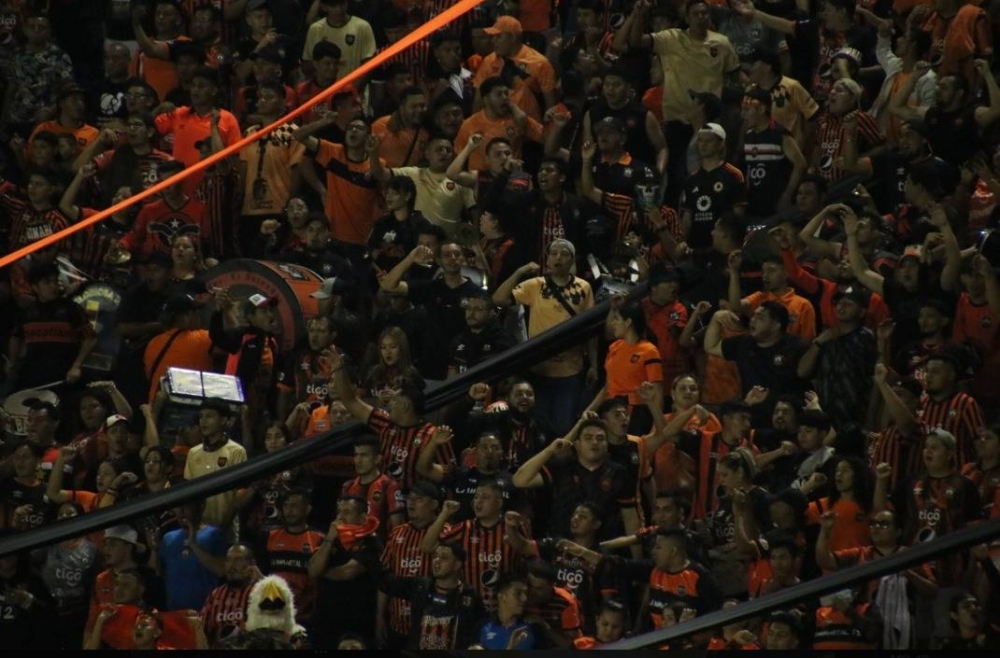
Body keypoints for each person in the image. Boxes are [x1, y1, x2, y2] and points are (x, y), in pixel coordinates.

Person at [493, 239, 596, 434]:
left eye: (564, 254)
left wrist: (594, 365)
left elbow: (590, 330)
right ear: (547, 259)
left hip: (570, 372)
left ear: (572, 260)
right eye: (554, 253)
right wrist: (519, 272)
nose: (558, 257)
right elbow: (498, 299)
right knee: (538, 427)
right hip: (539, 370)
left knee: (563, 427)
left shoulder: (584, 288)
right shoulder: (535, 285)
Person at [377, 542, 485, 650]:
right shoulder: (420, 586)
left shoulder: (469, 595)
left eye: (444, 557)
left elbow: (480, 629)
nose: (437, 560)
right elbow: (385, 583)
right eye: (435, 556)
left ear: (457, 565)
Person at [182, 399, 248, 531]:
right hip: (197, 529)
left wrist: (224, 525)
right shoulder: (193, 453)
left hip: (226, 529)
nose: (203, 421)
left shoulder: (236, 451)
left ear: (223, 420)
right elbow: (188, 492)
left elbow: (241, 493)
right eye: (201, 416)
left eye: (209, 416)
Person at [477, 573, 536, 649]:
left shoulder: (533, 627)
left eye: (526, 593)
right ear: (502, 596)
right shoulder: (482, 627)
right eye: (518, 593)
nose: (524, 598)